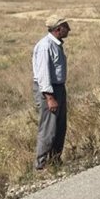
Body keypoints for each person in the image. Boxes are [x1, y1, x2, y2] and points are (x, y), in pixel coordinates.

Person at [31, 15, 71, 170]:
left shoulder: (56, 45)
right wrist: (49, 97)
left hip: (59, 88)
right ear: (58, 29)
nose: (69, 29)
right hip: (49, 91)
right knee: (48, 128)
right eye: (66, 26)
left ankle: (54, 160)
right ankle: (40, 166)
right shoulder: (45, 46)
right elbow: (43, 74)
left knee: (60, 126)